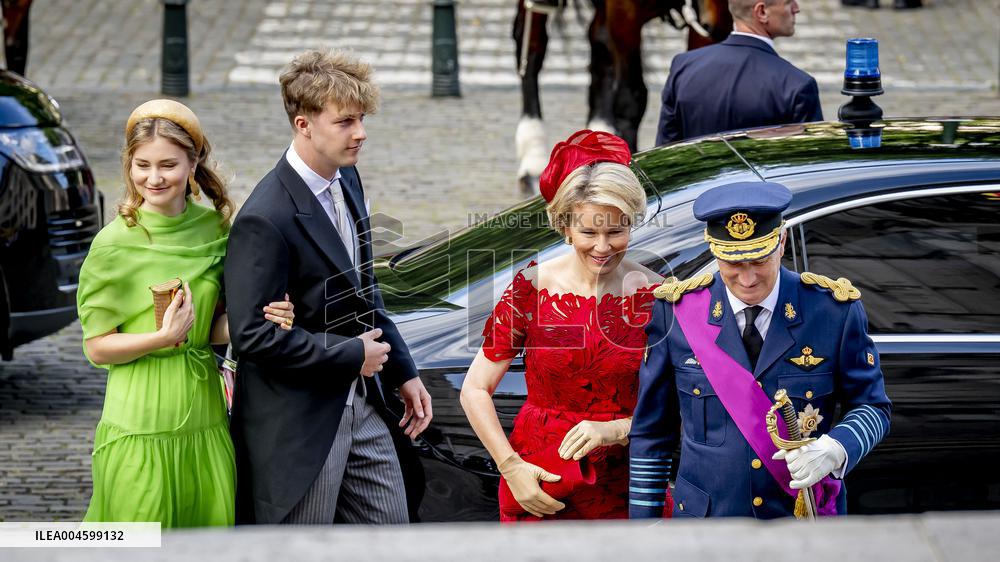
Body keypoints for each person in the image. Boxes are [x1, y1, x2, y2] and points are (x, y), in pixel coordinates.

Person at [225, 49, 432, 525]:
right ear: (303, 125)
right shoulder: (265, 218)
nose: (360, 133)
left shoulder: (347, 177)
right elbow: (252, 338)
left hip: (362, 404)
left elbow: (364, 288)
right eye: (345, 122)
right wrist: (350, 354)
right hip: (301, 424)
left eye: (361, 119)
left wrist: (403, 371)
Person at [77, 99, 296, 527]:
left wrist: (264, 318)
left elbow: (210, 329)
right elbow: (97, 347)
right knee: (141, 542)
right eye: (142, 165)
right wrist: (161, 338)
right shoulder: (113, 244)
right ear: (129, 165)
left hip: (205, 416)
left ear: (193, 164)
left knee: (205, 541)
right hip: (140, 419)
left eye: (168, 165)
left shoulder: (214, 229)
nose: (154, 178)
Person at [628, 181, 891, 518]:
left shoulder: (833, 311)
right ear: (714, 251)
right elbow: (652, 432)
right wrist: (645, 527)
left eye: (759, 260)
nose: (748, 278)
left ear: (781, 242)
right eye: (733, 263)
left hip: (798, 518)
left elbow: (873, 406)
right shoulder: (676, 312)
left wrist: (836, 448)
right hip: (706, 523)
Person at [461, 129, 668, 521]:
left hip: (627, 486)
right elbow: (475, 389)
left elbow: (677, 403)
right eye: (589, 232)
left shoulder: (657, 295)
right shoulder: (532, 287)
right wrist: (511, 468)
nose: (603, 247)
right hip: (539, 481)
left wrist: (618, 429)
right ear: (566, 227)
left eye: (616, 231)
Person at [655, 0, 822, 146]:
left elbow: (663, 152)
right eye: (788, 2)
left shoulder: (683, 66)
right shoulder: (797, 84)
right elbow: (809, 162)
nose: (796, 8)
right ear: (762, 12)